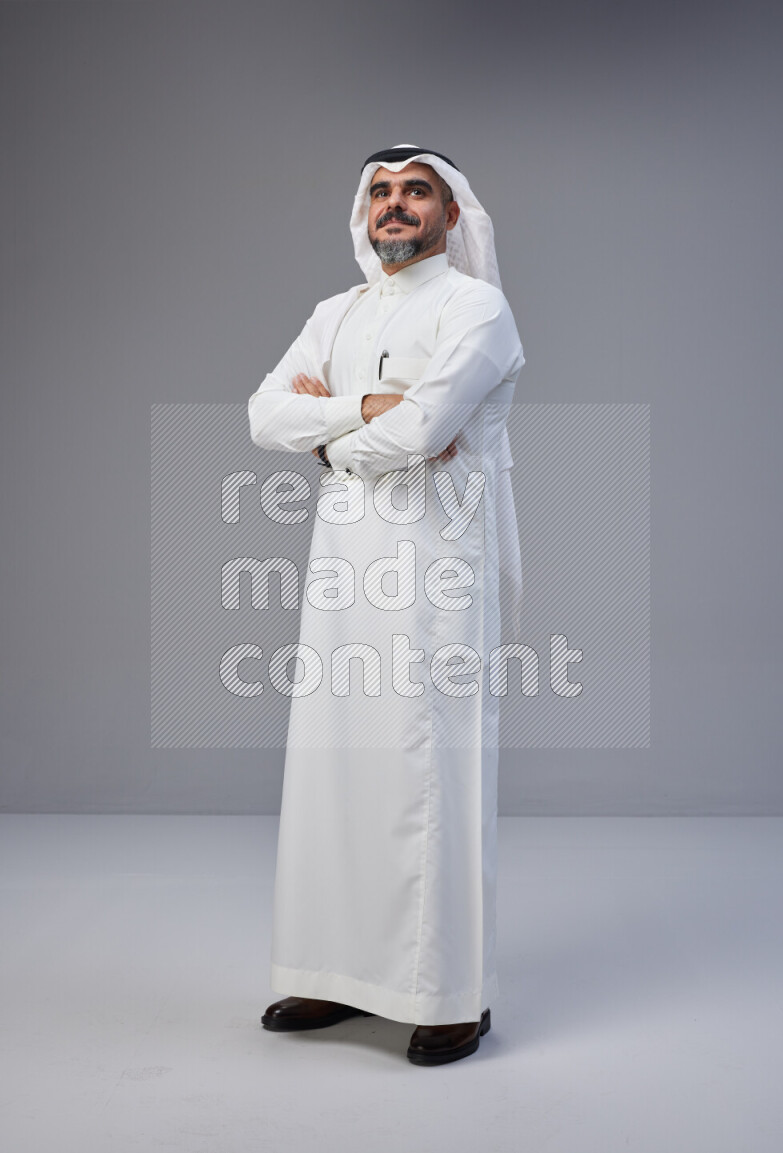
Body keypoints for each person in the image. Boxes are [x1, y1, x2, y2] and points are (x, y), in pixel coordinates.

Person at [248, 144, 524, 1065]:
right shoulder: (336, 312)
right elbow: (262, 413)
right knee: (335, 759)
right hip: (342, 569)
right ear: (363, 213)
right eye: (381, 191)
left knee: (428, 767)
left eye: (417, 191)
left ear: (451, 214)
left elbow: (430, 427)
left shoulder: (475, 307)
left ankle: (449, 992)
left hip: (439, 566)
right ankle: (335, 975)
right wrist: (370, 410)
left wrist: (330, 432)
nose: (395, 205)